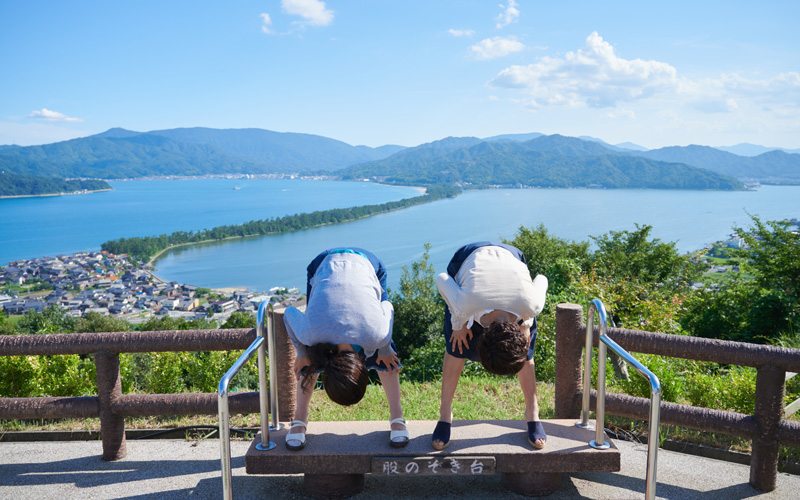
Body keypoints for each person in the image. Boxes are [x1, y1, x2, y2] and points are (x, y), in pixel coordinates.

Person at [283, 247, 408, 450]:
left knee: (387, 352)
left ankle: (397, 418)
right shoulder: (311, 334)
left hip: (359, 267)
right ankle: (299, 422)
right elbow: (289, 313)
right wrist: (301, 354)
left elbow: (388, 308)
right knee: (308, 354)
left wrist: (385, 350)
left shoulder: (376, 335)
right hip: (330, 267)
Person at [432, 242, 548, 450]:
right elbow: (442, 278)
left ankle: (532, 411)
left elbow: (541, 280)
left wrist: (527, 321)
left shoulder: (532, 305)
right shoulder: (463, 304)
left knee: (525, 354)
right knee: (457, 346)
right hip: (468, 258)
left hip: (512, 263)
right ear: (482, 337)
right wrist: (458, 324)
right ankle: (445, 414)